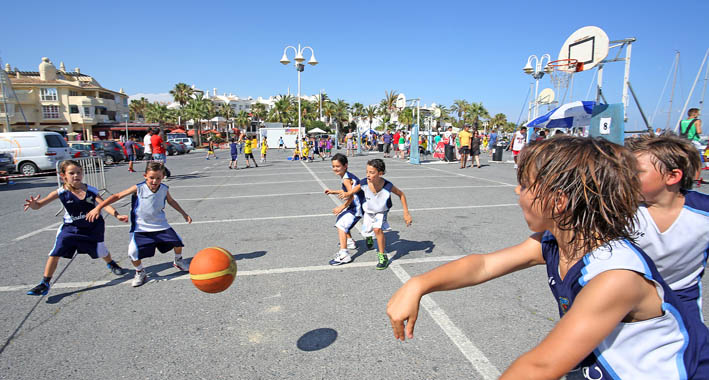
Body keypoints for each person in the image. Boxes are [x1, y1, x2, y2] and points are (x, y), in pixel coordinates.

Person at [387, 136, 709, 378]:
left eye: (524, 185)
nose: (516, 192)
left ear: (559, 202)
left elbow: (540, 366)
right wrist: (418, 284)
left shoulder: (615, 278)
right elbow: (482, 264)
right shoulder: (554, 243)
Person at [626, 133, 709, 320]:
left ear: (672, 176)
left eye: (635, 172)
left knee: (692, 348)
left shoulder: (703, 212)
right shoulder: (619, 209)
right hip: (627, 303)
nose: (625, 177)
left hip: (682, 304)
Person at [23, 160, 126, 295]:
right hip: (70, 228)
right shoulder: (60, 192)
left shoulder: (91, 190)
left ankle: (111, 263)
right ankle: (44, 283)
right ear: (63, 176)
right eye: (71, 173)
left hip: (92, 227)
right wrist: (34, 205)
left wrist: (117, 215)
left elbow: (105, 204)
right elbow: (39, 205)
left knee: (101, 250)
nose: (76, 175)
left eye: (78, 172)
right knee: (55, 253)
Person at [87, 162, 192, 287]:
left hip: (160, 225)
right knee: (133, 252)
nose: (154, 181)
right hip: (141, 227)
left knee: (178, 242)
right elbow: (117, 195)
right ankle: (140, 272)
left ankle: (178, 261)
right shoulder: (139, 188)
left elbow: (171, 201)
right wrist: (98, 207)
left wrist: (184, 214)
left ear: (163, 177)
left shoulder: (164, 189)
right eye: (151, 177)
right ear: (145, 176)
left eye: (158, 178)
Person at [343, 159, 412, 269]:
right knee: (367, 231)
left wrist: (406, 213)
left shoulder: (387, 186)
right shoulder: (364, 182)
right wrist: (346, 193)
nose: (368, 175)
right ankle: (369, 237)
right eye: (367, 172)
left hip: (381, 211)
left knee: (377, 229)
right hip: (369, 211)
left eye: (371, 172)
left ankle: (382, 256)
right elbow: (354, 190)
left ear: (380, 173)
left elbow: (401, 194)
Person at [323, 154, 364, 265]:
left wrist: (342, 206)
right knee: (341, 217)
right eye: (333, 166)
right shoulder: (346, 176)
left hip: (357, 208)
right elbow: (347, 192)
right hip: (355, 206)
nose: (335, 168)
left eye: (338, 166)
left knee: (341, 224)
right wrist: (333, 191)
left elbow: (351, 195)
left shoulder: (346, 179)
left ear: (345, 166)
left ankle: (344, 254)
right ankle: (349, 241)